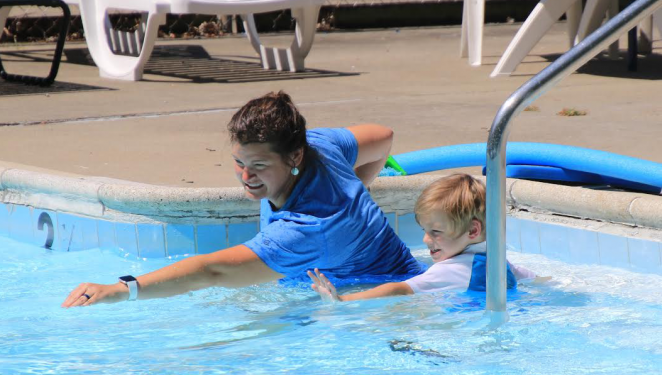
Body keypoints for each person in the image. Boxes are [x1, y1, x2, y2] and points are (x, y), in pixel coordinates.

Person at [62, 91, 426, 308]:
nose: (246, 177)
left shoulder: (308, 228)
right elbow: (383, 136)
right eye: (239, 162)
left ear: (294, 156)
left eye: (259, 166)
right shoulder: (321, 146)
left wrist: (122, 288)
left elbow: (213, 270)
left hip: (372, 303)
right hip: (350, 285)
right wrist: (356, 191)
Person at [308, 174, 541, 302]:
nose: (427, 241)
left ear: (472, 231)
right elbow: (536, 280)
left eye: (436, 232)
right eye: (424, 230)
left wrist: (345, 301)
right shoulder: (499, 262)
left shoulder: (450, 270)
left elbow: (398, 289)